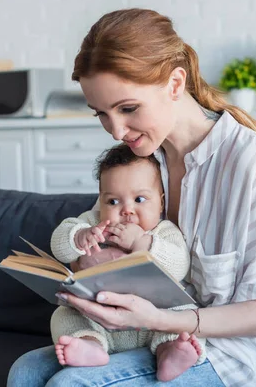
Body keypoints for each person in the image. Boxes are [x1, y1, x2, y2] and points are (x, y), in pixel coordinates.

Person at [8, 8, 256, 387]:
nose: (116, 131)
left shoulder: (248, 163)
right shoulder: (142, 159)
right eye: (102, 114)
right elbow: (96, 237)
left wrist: (152, 319)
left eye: (128, 109)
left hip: (233, 357)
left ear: (175, 84)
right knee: (26, 372)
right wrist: (86, 264)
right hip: (142, 336)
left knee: (71, 384)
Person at [49, 143, 207, 382]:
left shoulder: (163, 231)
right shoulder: (92, 223)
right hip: (99, 319)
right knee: (63, 315)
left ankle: (170, 352)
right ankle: (89, 346)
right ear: (100, 201)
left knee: (184, 313)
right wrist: (79, 237)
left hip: (154, 321)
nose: (126, 211)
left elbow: (178, 266)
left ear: (161, 202)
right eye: (113, 202)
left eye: (140, 199)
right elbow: (59, 244)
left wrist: (142, 243)